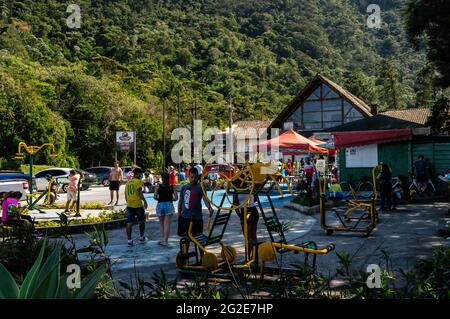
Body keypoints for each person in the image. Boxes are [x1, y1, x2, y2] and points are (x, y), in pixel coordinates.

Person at [178, 167, 214, 238]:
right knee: (185, 240)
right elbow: (180, 202)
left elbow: (205, 199)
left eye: (195, 177)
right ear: (188, 177)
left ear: (198, 177)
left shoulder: (201, 187)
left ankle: (200, 249)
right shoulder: (184, 188)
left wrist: (209, 207)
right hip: (185, 217)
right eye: (192, 177)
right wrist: (179, 214)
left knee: (199, 239)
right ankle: (185, 249)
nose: (193, 179)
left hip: (197, 218)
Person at [233, 183, 259, 259]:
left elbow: (235, 205)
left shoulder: (237, 190)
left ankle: (247, 258)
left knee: (248, 237)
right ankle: (254, 257)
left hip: (246, 213)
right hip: (253, 211)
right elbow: (256, 199)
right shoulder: (250, 187)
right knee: (253, 236)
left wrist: (240, 216)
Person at [125, 167, 148, 246]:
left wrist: (128, 202)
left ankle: (129, 240)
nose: (142, 175)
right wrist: (144, 201)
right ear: (138, 174)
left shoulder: (128, 182)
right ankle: (141, 237)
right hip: (138, 205)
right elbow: (139, 192)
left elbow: (126, 195)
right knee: (141, 221)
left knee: (129, 223)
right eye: (141, 173)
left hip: (129, 205)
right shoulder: (139, 182)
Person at [154, 172, 178, 246]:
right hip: (169, 205)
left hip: (160, 204)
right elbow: (176, 198)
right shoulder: (172, 186)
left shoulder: (159, 186)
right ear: (169, 178)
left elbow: (155, 197)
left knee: (161, 224)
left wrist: (161, 198)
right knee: (167, 224)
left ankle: (162, 239)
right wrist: (170, 199)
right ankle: (165, 241)